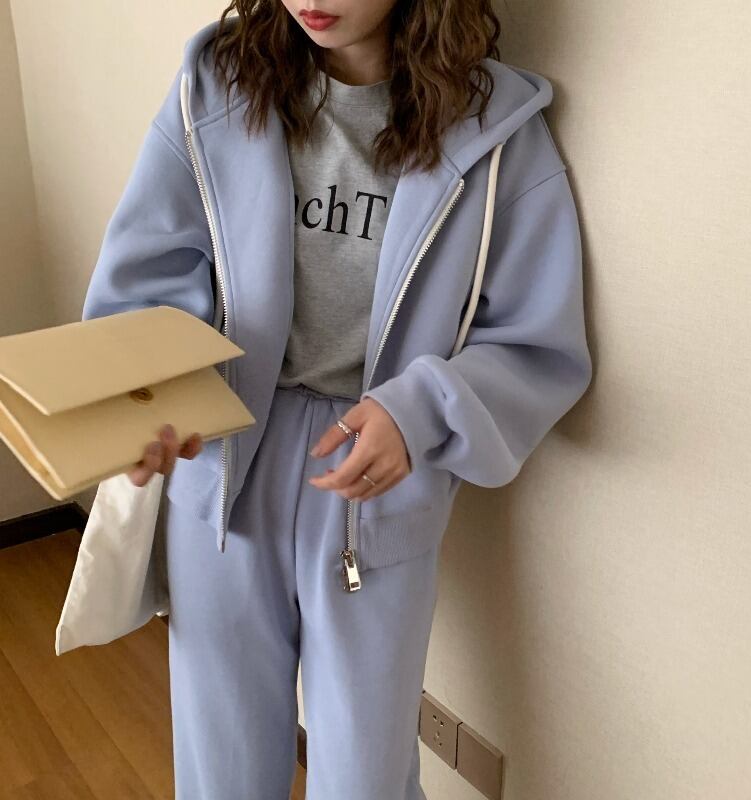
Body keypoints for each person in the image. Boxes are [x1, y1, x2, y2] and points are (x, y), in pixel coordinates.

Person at [81, 2, 593, 797]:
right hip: (222, 465)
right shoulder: (217, 87)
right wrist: (153, 397)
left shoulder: (496, 131)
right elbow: (145, 281)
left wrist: (418, 413)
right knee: (219, 766)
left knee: (365, 773)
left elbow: (538, 343)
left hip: (377, 480)